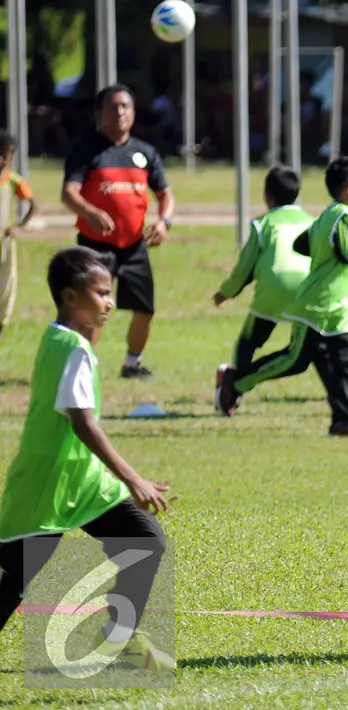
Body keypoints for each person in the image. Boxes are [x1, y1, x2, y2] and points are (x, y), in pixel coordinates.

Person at [0, 247, 173, 671]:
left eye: (110, 293)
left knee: (146, 540)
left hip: (83, 480)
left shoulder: (56, 336)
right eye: (100, 293)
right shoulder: (72, 348)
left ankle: (118, 641)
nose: (110, 303)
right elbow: (83, 422)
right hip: (50, 483)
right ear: (69, 297)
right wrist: (135, 480)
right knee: (17, 576)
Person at [216, 157, 348, 436]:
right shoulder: (342, 216)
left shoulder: (325, 215)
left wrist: (322, 251)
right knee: (294, 361)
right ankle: (236, 381)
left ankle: (344, 420)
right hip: (315, 305)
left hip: (336, 307)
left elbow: (302, 244)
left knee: (345, 362)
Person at [62, 84, 176, 380]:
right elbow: (68, 193)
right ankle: (83, 366)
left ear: (134, 112)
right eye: (113, 107)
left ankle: (132, 364)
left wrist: (164, 222)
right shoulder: (86, 150)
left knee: (145, 309)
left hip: (133, 245)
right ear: (98, 113)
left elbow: (166, 195)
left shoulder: (145, 153)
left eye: (125, 106)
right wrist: (89, 211)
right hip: (94, 245)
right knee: (93, 309)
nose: (120, 112)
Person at [213, 166, 315, 371]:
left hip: (273, 288)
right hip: (308, 289)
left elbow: (245, 267)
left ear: (267, 195)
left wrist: (226, 292)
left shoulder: (262, 224)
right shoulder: (312, 222)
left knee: (248, 341)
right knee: (307, 348)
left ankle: (234, 387)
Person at [0, 129, 38, 342]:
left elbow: (33, 204)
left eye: (7, 154)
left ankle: (1, 326)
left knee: (6, 285)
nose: (4, 159)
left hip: (5, 244)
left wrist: (19, 227)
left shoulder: (12, 180)